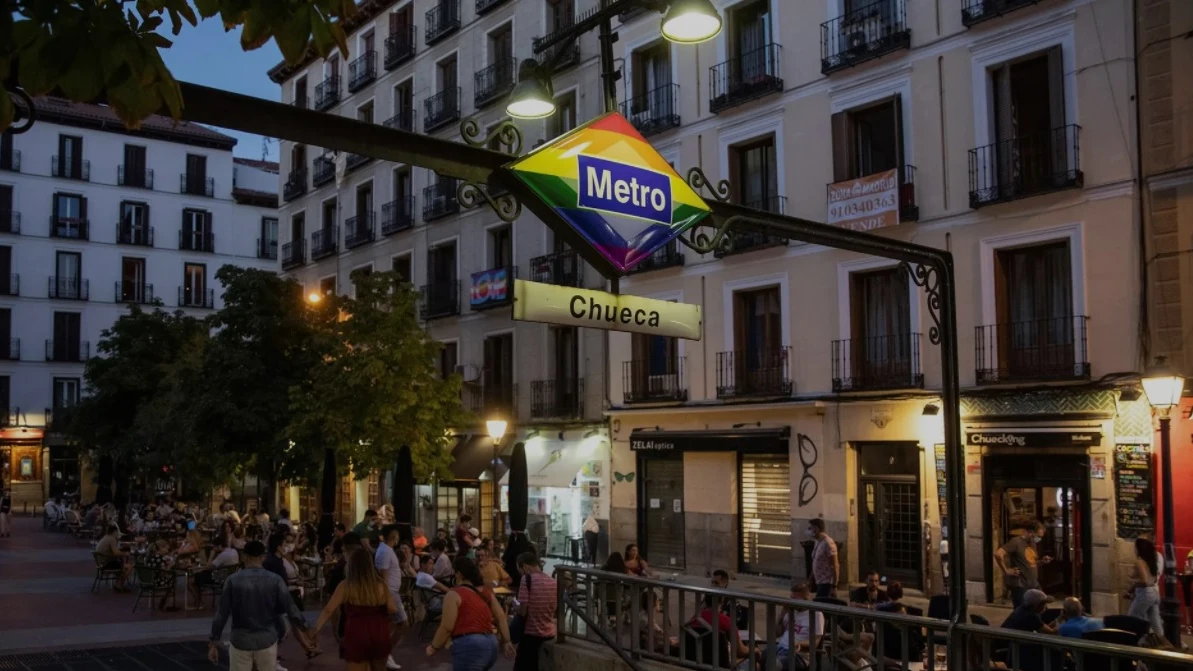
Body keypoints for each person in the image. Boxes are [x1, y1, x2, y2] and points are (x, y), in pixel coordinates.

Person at [208, 540, 313, 671]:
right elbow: (291, 609)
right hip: (267, 640)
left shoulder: (232, 580)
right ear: (263, 557)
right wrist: (306, 628)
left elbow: (221, 614)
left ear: (244, 556)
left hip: (240, 640)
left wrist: (213, 641)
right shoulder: (275, 580)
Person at [309, 545, 397, 671]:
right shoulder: (381, 584)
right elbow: (393, 608)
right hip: (379, 633)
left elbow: (329, 610)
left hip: (356, 635)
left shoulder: (346, 586)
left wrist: (315, 630)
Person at [425, 557, 515, 671]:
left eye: (455, 572)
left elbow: (447, 627)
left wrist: (434, 646)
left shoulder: (454, 594)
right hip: (491, 644)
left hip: (470, 646)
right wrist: (507, 641)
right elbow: (501, 616)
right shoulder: (486, 591)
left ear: (460, 574)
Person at [374, 525, 410, 671]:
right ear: (393, 535)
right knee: (403, 623)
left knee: (389, 625)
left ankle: (383, 652)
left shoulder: (387, 550)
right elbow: (382, 575)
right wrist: (387, 596)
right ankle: (385, 653)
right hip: (391, 593)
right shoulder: (384, 551)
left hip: (391, 592)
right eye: (397, 535)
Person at [513, 551, 557, 671]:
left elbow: (523, 611)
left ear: (525, 567)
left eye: (520, 569)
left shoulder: (526, 580)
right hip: (549, 633)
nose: (520, 573)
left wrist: (514, 606)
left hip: (531, 634)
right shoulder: (553, 582)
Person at [994, 520, 1051, 608]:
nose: (1039, 539)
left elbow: (1031, 563)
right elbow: (998, 554)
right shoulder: (1016, 542)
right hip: (1021, 584)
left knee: (1042, 607)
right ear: (1031, 532)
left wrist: (1042, 561)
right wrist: (1006, 570)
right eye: (1038, 536)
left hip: (1033, 583)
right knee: (1022, 610)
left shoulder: (1032, 543)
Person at [771, 582, 825, 669]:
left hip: (798, 655)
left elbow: (815, 642)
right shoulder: (790, 611)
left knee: (775, 665)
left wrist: (800, 644)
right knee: (756, 657)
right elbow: (777, 633)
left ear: (805, 600)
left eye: (795, 599)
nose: (791, 601)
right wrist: (782, 614)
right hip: (780, 648)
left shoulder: (816, 614)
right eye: (791, 597)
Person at [1127, 537, 1164, 636]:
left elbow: (1144, 581)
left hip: (1145, 593)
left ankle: (1137, 641)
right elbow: (1153, 578)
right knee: (1155, 622)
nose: (1134, 549)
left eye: (1135, 547)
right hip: (1154, 592)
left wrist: (1133, 585)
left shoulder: (1139, 561)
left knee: (1132, 618)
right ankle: (1164, 644)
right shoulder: (1151, 560)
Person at [95, 524, 133, 591]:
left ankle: (117, 582)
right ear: (114, 532)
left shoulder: (106, 537)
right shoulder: (112, 539)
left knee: (122, 563)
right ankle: (120, 585)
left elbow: (113, 551)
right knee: (129, 567)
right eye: (117, 532)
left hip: (101, 562)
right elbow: (116, 553)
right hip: (106, 563)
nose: (118, 534)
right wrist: (126, 553)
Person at [808, 519, 839, 599]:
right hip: (818, 581)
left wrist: (834, 586)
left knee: (821, 606)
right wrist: (811, 577)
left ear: (816, 529)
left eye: (810, 528)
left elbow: (835, 565)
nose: (809, 531)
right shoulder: (817, 541)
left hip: (826, 582)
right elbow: (815, 560)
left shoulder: (828, 543)